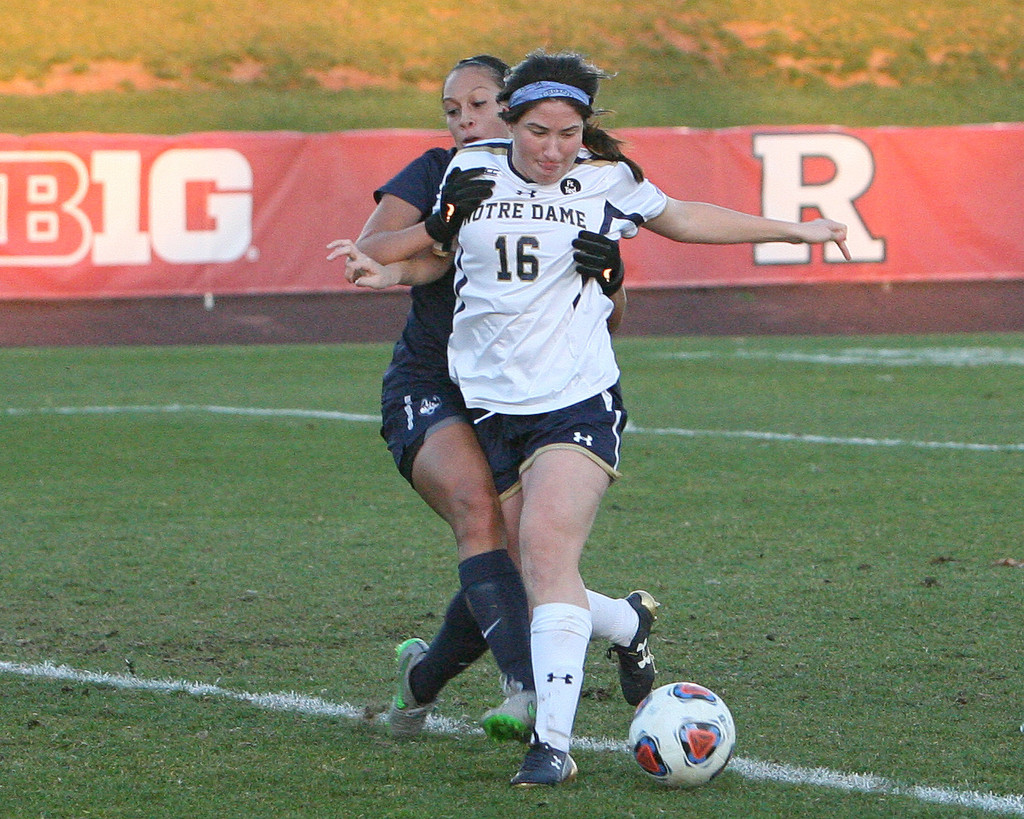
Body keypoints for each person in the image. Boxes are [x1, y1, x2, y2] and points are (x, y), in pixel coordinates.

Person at [333, 48, 850, 786]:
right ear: (510, 122)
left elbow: (685, 217)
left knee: (545, 555)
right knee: (538, 573)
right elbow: (422, 259)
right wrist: (387, 266)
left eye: (568, 132)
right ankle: (626, 624)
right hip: (488, 409)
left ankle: (551, 743)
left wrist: (794, 229)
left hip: (575, 402)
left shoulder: (611, 181)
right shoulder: (468, 172)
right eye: (538, 131)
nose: (552, 148)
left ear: (586, 130)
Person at [327, 55, 661, 745]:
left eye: (477, 104)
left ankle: (423, 679)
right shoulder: (438, 171)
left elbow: (611, 313)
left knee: (519, 560)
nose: (464, 119)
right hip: (433, 381)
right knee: (480, 517)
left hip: (522, 394)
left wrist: (614, 274)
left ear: (508, 107)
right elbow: (375, 252)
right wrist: (422, 238)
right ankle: (530, 685)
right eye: (451, 109)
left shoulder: (563, 179)